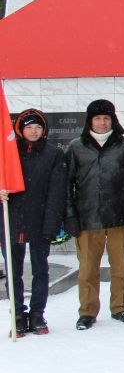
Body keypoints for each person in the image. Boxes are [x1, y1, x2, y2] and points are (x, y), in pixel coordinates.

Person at [65, 99, 124, 330]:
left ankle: (120, 307)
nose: (102, 123)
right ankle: (88, 311)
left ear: (113, 120)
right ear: (90, 121)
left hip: (120, 216)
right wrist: (70, 215)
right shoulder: (76, 147)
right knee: (87, 269)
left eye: (106, 118)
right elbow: (67, 185)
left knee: (121, 266)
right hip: (87, 217)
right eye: (97, 118)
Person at [0, 109, 66, 336]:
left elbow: (57, 191)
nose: (34, 131)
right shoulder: (8, 154)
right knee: (14, 269)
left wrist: (52, 222)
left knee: (40, 268)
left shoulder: (53, 154)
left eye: (38, 127)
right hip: (13, 219)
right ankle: (17, 313)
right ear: (20, 129)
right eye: (29, 127)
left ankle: (37, 313)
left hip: (40, 219)